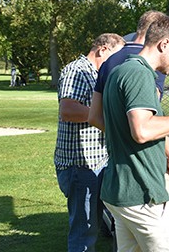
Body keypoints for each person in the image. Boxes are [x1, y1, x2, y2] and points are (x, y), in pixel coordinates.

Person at [100, 15, 169, 251]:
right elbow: (142, 130)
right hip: (141, 195)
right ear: (164, 44)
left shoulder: (120, 70)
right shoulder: (138, 74)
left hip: (122, 192)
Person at [88, 10, 169, 183]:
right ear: (161, 36)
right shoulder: (150, 66)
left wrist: (120, 136)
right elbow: (147, 124)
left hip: (115, 166)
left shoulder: (109, 62)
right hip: (142, 171)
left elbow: (94, 117)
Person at [54, 33, 125, 252]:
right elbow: (68, 110)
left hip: (98, 162)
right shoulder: (77, 70)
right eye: (116, 56)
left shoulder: (97, 73)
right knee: (83, 232)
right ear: (103, 49)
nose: (118, 62)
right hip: (80, 166)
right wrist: (106, 114)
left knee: (96, 223)